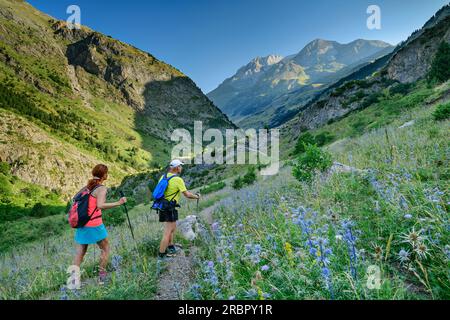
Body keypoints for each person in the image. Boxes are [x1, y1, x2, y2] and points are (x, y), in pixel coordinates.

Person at [72, 164, 127, 284]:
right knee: (105, 248)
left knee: (80, 252)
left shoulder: (87, 187)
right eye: (106, 173)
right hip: (94, 224)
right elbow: (100, 205)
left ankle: (73, 281)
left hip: (82, 223)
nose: (107, 175)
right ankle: (101, 278)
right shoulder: (101, 188)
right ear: (104, 175)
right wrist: (119, 202)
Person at [158, 159, 200, 259]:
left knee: (172, 229)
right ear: (177, 168)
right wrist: (197, 196)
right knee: (167, 232)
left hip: (163, 206)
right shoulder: (177, 179)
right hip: (170, 207)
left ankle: (171, 247)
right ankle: (162, 254)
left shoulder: (163, 177)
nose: (181, 168)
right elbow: (187, 195)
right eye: (180, 166)